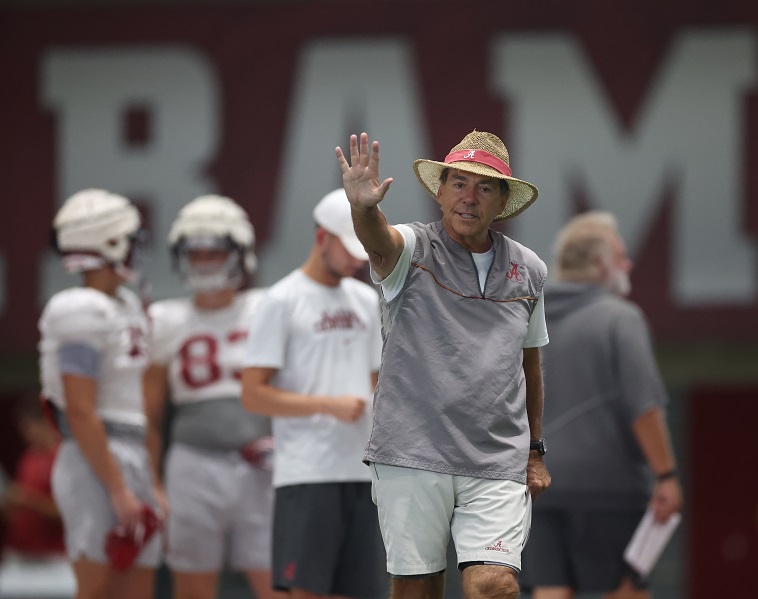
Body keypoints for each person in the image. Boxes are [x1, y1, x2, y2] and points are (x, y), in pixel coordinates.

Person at [335, 130, 551, 599]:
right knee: (417, 590)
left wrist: (535, 450)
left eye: (484, 187)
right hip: (412, 452)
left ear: (502, 200)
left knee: (494, 586)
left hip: (496, 460)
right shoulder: (411, 247)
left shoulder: (530, 269)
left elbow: (529, 364)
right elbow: (378, 241)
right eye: (457, 183)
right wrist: (363, 208)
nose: (468, 198)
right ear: (439, 191)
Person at [518, 211, 684, 599]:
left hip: (537, 486)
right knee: (624, 591)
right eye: (621, 256)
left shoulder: (528, 320)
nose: (628, 265)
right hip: (609, 491)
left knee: (550, 590)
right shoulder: (621, 319)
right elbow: (645, 407)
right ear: (598, 264)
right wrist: (667, 476)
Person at [241, 189, 386, 599]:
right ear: (322, 237)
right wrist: (327, 405)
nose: (358, 259)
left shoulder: (365, 299)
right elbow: (253, 394)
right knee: (307, 590)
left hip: (362, 472)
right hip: (308, 472)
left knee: (358, 590)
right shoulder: (282, 300)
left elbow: (379, 383)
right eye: (350, 248)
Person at [144, 195, 282, 599]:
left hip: (263, 463)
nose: (204, 260)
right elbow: (148, 416)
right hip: (193, 464)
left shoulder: (268, 307)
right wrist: (152, 482)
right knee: (192, 586)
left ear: (239, 253)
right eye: (195, 251)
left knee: (278, 584)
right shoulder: (164, 320)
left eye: (214, 250)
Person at [37, 189, 163, 599]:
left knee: (137, 586)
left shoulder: (125, 303)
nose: (136, 247)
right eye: (129, 237)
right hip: (95, 455)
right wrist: (117, 487)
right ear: (109, 241)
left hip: (129, 451)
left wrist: (151, 480)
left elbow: (138, 408)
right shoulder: (79, 308)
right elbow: (79, 409)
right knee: (98, 588)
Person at [0, 393, 75, 598]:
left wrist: (25, 499)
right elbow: (18, 509)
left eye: (29, 426)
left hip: (55, 564)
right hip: (20, 558)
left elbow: (66, 512)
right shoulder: (28, 458)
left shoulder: (64, 458)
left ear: (46, 423)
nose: (27, 434)